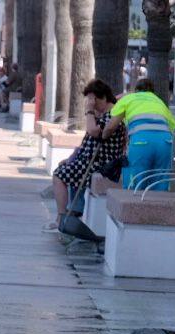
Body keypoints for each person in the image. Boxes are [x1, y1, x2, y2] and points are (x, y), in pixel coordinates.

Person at [43, 79, 128, 232]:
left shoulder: (111, 115)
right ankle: (72, 212)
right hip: (89, 160)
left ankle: (61, 218)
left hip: (100, 164)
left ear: (101, 98)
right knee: (67, 171)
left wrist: (89, 111)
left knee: (59, 176)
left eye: (92, 100)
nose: (91, 104)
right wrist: (71, 159)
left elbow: (93, 132)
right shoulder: (106, 112)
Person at [103, 77, 175, 190]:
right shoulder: (159, 101)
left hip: (141, 142)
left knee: (135, 185)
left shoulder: (129, 99)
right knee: (160, 185)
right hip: (165, 143)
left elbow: (111, 127)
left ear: (136, 90)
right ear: (152, 91)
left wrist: (103, 136)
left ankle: (133, 206)